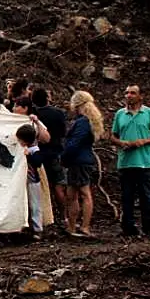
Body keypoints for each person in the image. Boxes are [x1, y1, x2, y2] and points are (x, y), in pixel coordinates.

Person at [111, 85, 150, 238]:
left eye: (133, 93)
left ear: (140, 96)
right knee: (126, 197)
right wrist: (121, 143)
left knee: (146, 196)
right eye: (126, 93)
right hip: (125, 162)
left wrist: (144, 141)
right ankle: (128, 228)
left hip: (144, 162)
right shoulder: (120, 114)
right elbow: (113, 136)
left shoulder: (149, 113)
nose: (129, 95)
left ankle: (149, 229)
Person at [61, 90, 104, 238]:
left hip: (78, 161)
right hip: (83, 160)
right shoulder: (88, 121)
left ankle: (83, 226)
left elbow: (74, 144)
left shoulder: (82, 123)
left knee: (81, 193)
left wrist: (64, 157)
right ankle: (74, 226)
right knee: (72, 194)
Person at [31, 87, 69, 227]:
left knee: (39, 187)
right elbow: (63, 132)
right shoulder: (58, 113)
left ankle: (44, 217)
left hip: (38, 155)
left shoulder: (33, 115)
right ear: (47, 98)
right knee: (58, 186)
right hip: (55, 153)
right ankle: (63, 217)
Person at [16, 123, 46, 240]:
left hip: (32, 180)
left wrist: (28, 156)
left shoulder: (34, 150)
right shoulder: (21, 149)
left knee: (35, 204)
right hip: (21, 181)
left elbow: (38, 163)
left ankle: (37, 229)